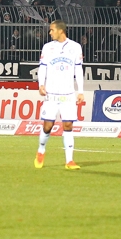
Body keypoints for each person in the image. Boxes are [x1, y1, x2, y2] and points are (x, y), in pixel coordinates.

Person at [34, 20, 85, 171]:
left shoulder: (75, 47)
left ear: (60, 31)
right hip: (51, 93)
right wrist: (40, 84)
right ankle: (41, 150)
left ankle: (69, 160)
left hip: (68, 94)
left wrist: (80, 90)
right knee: (48, 126)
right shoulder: (47, 47)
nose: (50, 33)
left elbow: (78, 70)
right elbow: (42, 67)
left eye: (52, 30)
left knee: (68, 125)